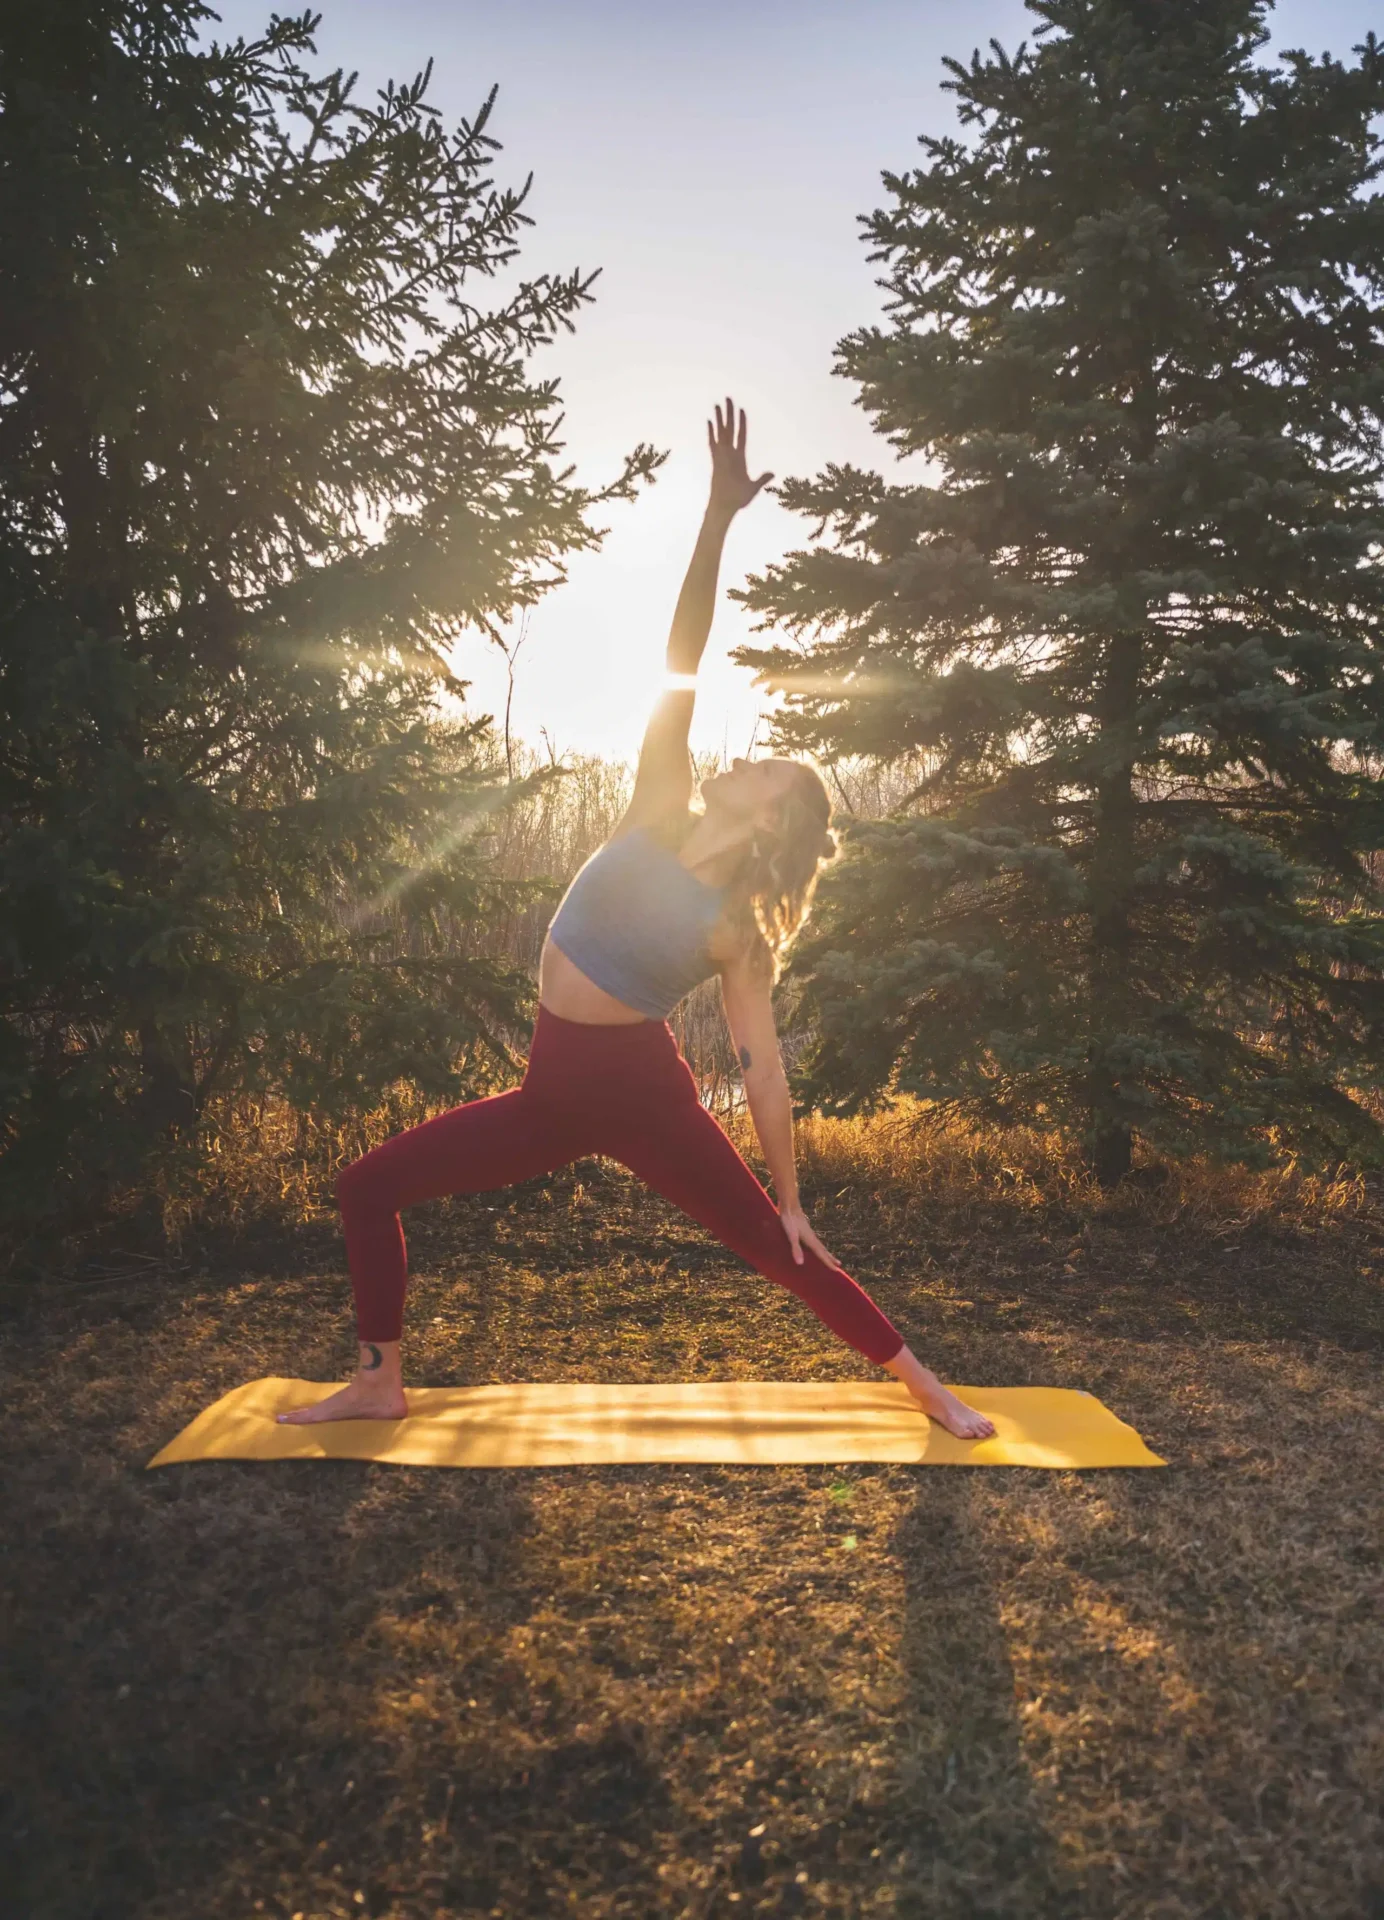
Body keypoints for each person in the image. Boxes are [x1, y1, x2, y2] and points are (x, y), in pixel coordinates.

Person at [281, 399, 995, 1439]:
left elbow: (760, 1066)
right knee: (367, 1187)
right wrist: (715, 521)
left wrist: (791, 1194)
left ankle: (924, 1383)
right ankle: (380, 1375)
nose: (741, 757)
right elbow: (683, 653)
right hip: (550, 1089)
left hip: (641, 1096)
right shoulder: (658, 798)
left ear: (771, 816)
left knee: (772, 1244)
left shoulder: (737, 925)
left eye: (762, 767)